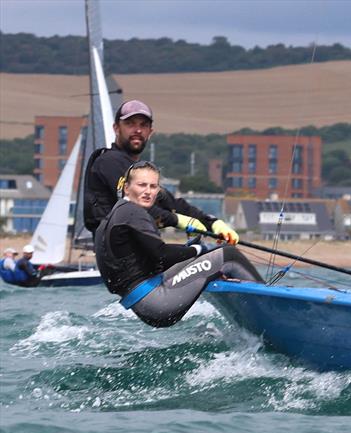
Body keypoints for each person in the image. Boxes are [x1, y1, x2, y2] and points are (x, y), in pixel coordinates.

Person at [95, 161, 263, 328]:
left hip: (143, 304)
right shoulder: (133, 213)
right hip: (156, 301)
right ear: (126, 188)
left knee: (208, 256)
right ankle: (267, 305)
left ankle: (246, 318)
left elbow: (152, 258)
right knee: (229, 254)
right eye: (142, 185)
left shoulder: (118, 211)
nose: (148, 191)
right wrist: (199, 248)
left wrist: (195, 249)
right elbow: (162, 255)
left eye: (153, 186)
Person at [83, 99, 239, 244]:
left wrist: (213, 223)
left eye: (143, 125)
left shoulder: (138, 170)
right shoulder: (109, 161)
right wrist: (178, 220)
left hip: (143, 251)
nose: (138, 130)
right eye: (130, 124)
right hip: (119, 254)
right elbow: (135, 208)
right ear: (116, 128)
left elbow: (170, 202)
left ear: (150, 132)